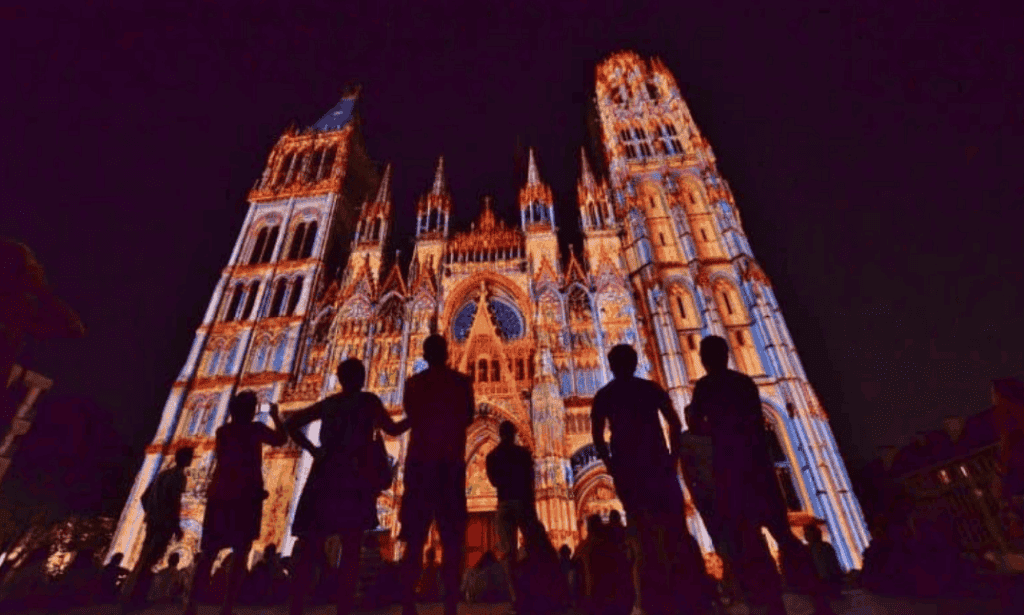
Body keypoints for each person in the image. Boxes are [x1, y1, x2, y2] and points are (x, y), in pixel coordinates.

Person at [688, 336, 834, 615]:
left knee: (751, 541)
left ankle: (772, 603)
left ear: (705, 359)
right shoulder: (745, 383)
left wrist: (715, 434)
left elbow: (695, 423)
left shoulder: (706, 386)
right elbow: (756, 420)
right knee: (785, 537)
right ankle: (818, 595)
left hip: (732, 471)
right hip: (759, 467)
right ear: (728, 355)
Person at [592, 344, 715, 615]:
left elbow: (598, 438)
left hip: (628, 468)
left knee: (642, 534)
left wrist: (611, 465)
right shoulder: (651, 389)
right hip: (658, 463)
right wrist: (672, 456)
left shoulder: (605, 395)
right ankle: (688, 597)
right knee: (674, 529)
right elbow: (674, 422)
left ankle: (652, 601)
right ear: (635, 363)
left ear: (611, 365)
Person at [286, 358, 409, 615]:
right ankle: (343, 607)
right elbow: (394, 429)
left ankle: (296, 606)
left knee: (312, 544)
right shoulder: (368, 401)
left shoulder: (330, 403)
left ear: (340, 379)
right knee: (352, 546)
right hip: (354, 476)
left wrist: (314, 450)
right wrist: (419, 415)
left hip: (326, 473)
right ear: (361, 377)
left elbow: (291, 423)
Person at [183, 392, 286, 615]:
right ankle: (227, 606)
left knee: (208, 552)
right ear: (250, 411)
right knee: (240, 552)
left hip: (220, 494)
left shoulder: (223, 431)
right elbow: (281, 439)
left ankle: (191, 604)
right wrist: (277, 417)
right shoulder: (255, 429)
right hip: (246, 497)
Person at [398, 335, 475, 615]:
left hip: (419, 466)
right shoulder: (462, 383)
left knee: (415, 538)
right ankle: (451, 605)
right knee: (453, 539)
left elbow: (410, 414)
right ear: (447, 353)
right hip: (450, 465)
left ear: (424, 354)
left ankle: (408, 602)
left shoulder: (414, 384)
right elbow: (468, 417)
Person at [485, 420, 551, 604]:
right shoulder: (523, 454)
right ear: (514, 433)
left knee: (509, 553)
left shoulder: (492, 456)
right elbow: (531, 480)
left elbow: (494, 481)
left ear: (499, 433)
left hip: (504, 503)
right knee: (534, 547)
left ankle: (516, 597)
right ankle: (538, 591)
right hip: (522, 502)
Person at [121, 446, 194, 608]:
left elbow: (143, 496)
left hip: (153, 521)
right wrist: (176, 525)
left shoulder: (162, 474)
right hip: (164, 524)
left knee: (144, 556)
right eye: (190, 457)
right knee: (152, 558)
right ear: (186, 459)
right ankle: (137, 598)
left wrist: (151, 512)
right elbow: (174, 502)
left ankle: (128, 594)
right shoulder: (179, 476)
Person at [803, 524, 843, 599]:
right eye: (807, 534)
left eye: (809, 534)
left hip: (829, 583)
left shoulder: (825, 547)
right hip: (820, 585)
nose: (807, 536)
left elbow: (834, 566)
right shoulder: (807, 550)